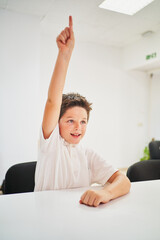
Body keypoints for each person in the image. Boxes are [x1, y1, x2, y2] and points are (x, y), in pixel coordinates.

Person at [34, 16, 131, 207]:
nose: (78, 127)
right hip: (44, 217)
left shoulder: (87, 154)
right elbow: (53, 101)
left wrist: (106, 192)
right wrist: (65, 54)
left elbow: (124, 181)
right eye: (70, 120)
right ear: (57, 122)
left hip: (78, 218)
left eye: (83, 121)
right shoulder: (50, 144)